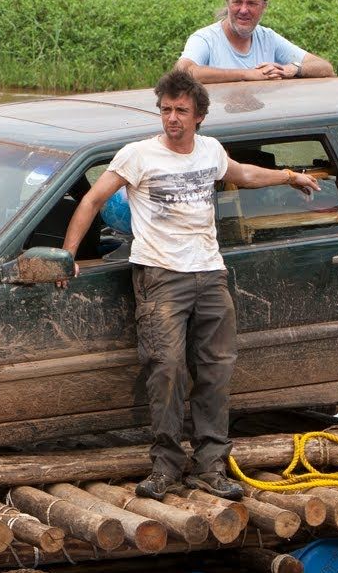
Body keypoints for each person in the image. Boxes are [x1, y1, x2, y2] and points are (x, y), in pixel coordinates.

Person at [58, 69, 320, 499]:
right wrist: (68, 256)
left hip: (210, 274)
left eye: (181, 110)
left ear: (199, 115)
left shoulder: (210, 151)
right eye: (166, 110)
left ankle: (211, 467)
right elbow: (93, 199)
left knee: (216, 370)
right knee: (166, 370)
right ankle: (164, 466)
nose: (173, 118)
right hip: (160, 277)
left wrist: (290, 177)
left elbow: (243, 174)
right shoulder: (137, 155)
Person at [174, 0, 334, 84]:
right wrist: (247, 74)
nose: (243, 10)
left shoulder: (268, 38)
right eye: (237, 2)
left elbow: (325, 67)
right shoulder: (205, 38)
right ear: (227, 3)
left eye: (252, 3)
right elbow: (182, 71)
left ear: (264, 7)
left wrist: (291, 69)